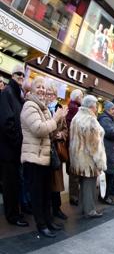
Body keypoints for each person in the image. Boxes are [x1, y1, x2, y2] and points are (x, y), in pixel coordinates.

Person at [20, 76, 68, 237]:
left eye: (43, 87)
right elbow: (39, 129)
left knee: (46, 193)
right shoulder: (29, 106)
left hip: (44, 158)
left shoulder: (44, 107)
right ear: (32, 90)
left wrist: (59, 121)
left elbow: (50, 132)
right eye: (38, 87)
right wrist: (55, 119)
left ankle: (48, 221)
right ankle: (41, 225)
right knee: (37, 195)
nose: (41, 90)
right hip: (34, 158)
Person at [0, 65, 29, 227]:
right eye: (18, 73)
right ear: (12, 75)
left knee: (16, 183)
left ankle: (16, 212)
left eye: (22, 75)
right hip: (9, 150)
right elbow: (7, 122)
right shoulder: (7, 93)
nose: (20, 76)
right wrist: (18, 142)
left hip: (15, 150)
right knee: (10, 184)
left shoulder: (17, 94)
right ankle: (12, 216)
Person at [69, 95, 106, 219]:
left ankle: (82, 207)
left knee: (83, 183)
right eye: (96, 106)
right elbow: (94, 145)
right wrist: (100, 162)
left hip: (78, 158)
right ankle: (90, 210)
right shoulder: (90, 119)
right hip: (88, 159)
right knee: (89, 185)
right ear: (91, 107)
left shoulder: (76, 117)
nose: (96, 109)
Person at [46, 82, 68, 220]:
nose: (50, 96)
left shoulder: (60, 109)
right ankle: (48, 208)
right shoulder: (43, 108)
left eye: (52, 94)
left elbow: (65, 128)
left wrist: (62, 135)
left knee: (57, 181)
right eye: (48, 93)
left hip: (57, 151)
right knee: (47, 181)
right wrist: (55, 134)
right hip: (46, 148)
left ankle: (57, 208)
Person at [98, 101, 114, 206]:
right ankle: (104, 197)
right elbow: (113, 133)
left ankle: (106, 195)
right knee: (108, 176)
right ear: (108, 109)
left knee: (110, 176)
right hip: (109, 151)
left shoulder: (109, 119)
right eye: (113, 109)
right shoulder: (105, 119)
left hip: (111, 151)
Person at [66, 89, 83, 206]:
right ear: (76, 97)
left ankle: (75, 195)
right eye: (81, 96)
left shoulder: (73, 107)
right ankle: (74, 196)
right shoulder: (75, 108)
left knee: (74, 171)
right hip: (74, 142)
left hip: (74, 142)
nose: (82, 97)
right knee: (75, 171)